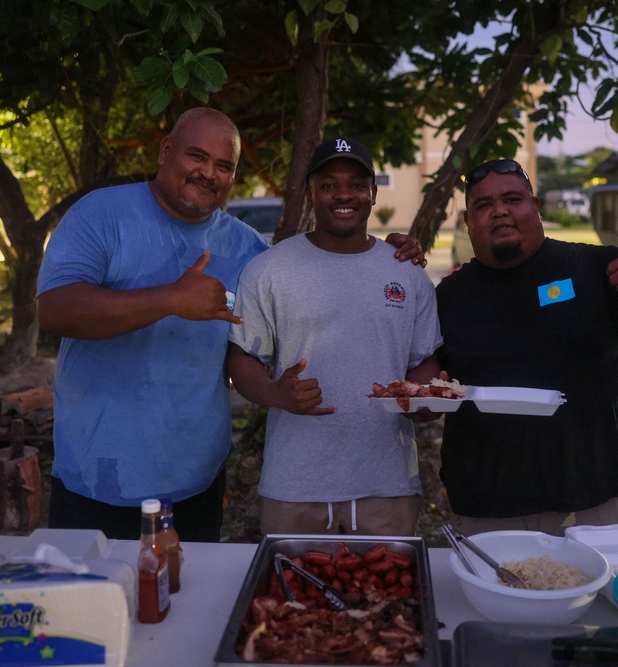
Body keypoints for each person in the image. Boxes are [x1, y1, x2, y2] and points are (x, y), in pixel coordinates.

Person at [35, 110, 426, 541]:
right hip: (95, 478)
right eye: (197, 157)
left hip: (195, 481)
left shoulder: (247, 249)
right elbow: (54, 310)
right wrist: (168, 299)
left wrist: (385, 255)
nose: (208, 173)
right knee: (91, 605)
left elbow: (313, 287)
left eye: (224, 166)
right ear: (166, 151)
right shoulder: (102, 213)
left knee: (187, 601)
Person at [435, 158, 618, 536]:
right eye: (483, 205)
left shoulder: (595, 269)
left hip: (589, 504)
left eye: (513, 199)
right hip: (486, 506)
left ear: (536, 207)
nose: (499, 211)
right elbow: (430, 385)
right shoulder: (450, 295)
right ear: (467, 222)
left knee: (591, 596)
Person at [226, 137, 442, 536]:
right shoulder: (269, 270)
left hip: (387, 483)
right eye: (328, 184)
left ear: (374, 193)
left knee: (388, 596)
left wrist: (425, 397)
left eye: (358, 184)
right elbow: (242, 358)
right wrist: (276, 394)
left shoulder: (406, 272)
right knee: (291, 595)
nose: (344, 194)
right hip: (294, 486)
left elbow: (423, 359)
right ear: (310, 193)